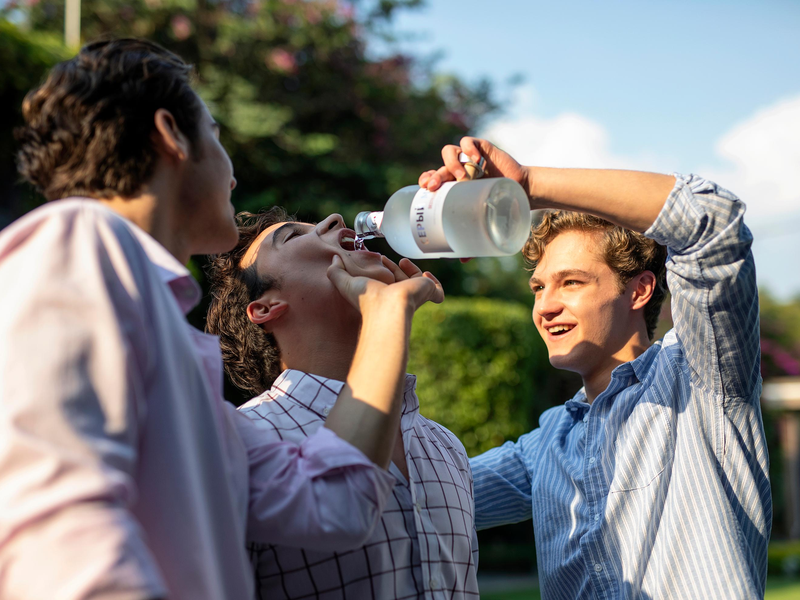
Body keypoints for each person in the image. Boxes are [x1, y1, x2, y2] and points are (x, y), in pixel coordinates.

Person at [0, 39, 443, 600]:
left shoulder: (180, 359)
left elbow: (334, 505)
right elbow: (65, 551)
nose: (231, 173)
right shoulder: (73, 245)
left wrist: (386, 321)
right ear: (170, 133)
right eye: (214, 133)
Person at [420, 138, 771, 599]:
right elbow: (415, 496)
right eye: (538, 287)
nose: (545, 307)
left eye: (571, 282)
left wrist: (530, 185)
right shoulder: (547, 444)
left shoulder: (702, 379)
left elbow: (713, 222)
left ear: (640, 290)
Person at [204, 207, 480, 599]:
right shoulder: (244, 439)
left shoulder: (446, 446)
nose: (335, 219)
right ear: (265, 307)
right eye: (293, 237)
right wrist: (390, 312)